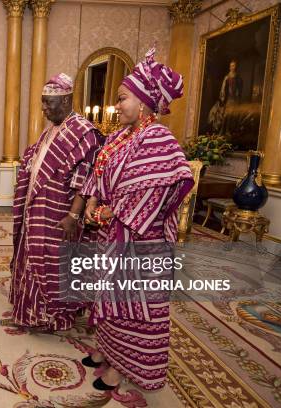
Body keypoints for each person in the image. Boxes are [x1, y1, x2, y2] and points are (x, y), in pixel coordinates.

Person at [79, 48, 195, 391]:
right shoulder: (118, 136)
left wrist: (111, 212)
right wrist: (93, 201)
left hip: (140, 242)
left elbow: (161, 188)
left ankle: (122, 368)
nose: (117, 106)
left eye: (122, 98)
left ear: (144, 100)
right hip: (112, 235)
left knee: (133, 305)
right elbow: (99, 173)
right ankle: (106, 350)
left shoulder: (157, 137)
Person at [9, 73, 104, 331]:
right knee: (32, 255)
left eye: (48, 103)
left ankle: (52, 316)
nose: (43, 108)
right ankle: (31, 312)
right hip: (38, 206)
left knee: (52, 262)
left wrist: (73, 216)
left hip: (60, 212)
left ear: (66, 100)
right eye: (42, 102)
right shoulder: (53, 129)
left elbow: (88, 180)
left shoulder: (85, 133)